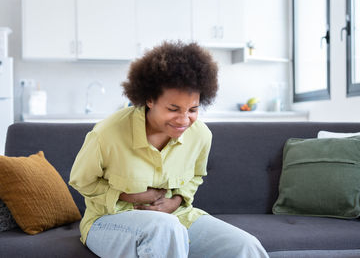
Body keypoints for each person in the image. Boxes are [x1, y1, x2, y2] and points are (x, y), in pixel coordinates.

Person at [69, 41, 269, 258]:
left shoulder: (201, 135)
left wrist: (176, 201)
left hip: (178, 217)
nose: (184, 120)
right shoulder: (107, 133)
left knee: (245, 246)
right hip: (109, 220)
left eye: (193, 109)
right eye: (173, 109)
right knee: (164, 228)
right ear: (150, 99)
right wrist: (127, 195)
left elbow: (195, 177)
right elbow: (82, 181)